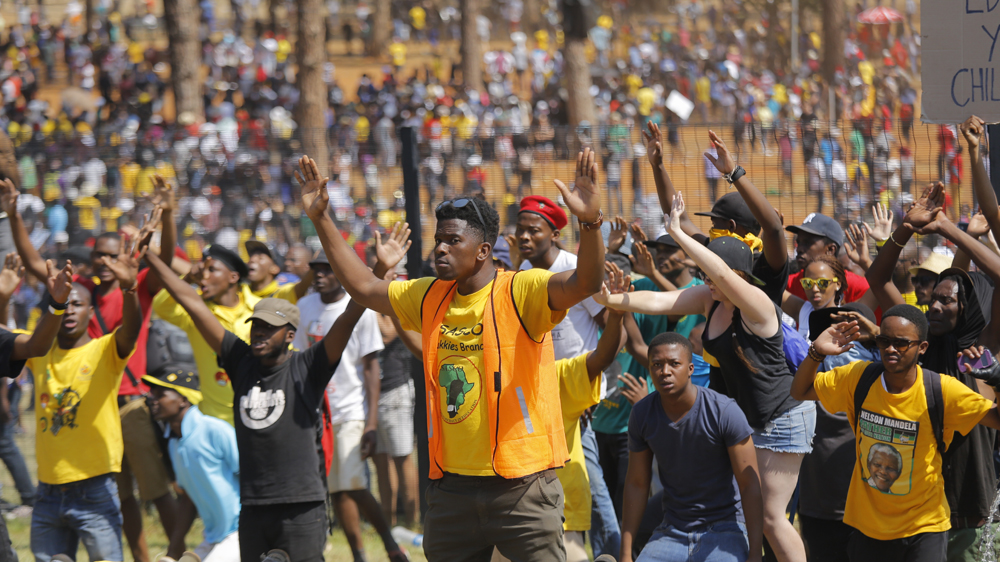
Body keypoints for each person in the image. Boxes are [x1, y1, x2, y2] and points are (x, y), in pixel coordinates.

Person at [296, 147, 606, 561]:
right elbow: (365, 288)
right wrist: (321, 218)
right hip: (452, 491)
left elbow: (586, 282)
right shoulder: (429, 295)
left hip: (523, 488)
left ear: (483, 251)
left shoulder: (522, 289)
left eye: (453, 241)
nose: (439, 249)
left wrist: (590, 221)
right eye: (438, 240)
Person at [598, 193, 813, 562]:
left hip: (783, 416)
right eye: (705, 277)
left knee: (771, 518)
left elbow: (723, 274)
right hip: (751, 416)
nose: (706, 281)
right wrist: (614, 302)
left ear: (738, 276)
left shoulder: (758, 304)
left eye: (711, 275)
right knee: (755, 513)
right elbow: (662, 303)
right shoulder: (710, 298)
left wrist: (678, 233)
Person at [142, 240, 385, 562]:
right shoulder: (240, 362)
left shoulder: (308, 366)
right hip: (254, 505)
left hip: (301, 505)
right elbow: (191, 302)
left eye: (269, 328)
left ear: (289, 335)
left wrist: (380, 269)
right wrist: (148, 255)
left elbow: (349, 316)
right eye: (255, 326)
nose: (259, 333)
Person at [4, 177, 180, 562]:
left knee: (154, 490)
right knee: (122, 496)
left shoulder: (135, 287)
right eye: (99, 255)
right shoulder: (82, 292)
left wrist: (168, 214)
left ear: (125, 255)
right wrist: (13, 215)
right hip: (87, 408)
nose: (104, 261)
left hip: (129, 403)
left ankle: (175, 552)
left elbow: (165, 262)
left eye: (111, 255)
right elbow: (35, 265)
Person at [791, 305, 1000, 562]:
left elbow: (996, 419)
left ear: (922, 347)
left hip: (925, 526)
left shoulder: (941, 390)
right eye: (884, 341)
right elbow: (800, 391)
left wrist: (997, 381)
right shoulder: (858, 378)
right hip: (869, 528)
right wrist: (816, 352)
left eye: (901, 343)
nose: (891, 349)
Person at [513, 193, 620, 556]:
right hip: (539, 397)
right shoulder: (521, 276)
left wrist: (593, 389)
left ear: (555, 234)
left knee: (588, 481)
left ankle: (611, 552)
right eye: (520, 229)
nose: (525, 237)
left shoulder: (576, 269)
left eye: (534, 230)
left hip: (578, 394)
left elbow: (612, 327)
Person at [29, 241, 142, 562]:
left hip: (95, 489)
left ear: (90, 312)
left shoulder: (104, 350)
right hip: (47, 490)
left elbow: (130, 332)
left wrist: (130, 290)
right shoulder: (39, 351)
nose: (69, 311)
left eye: (77, 304)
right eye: (63, 305)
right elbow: (4, 339)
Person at [292, 250, 405, 562]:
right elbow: (299, 360)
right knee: (338, 489)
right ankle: (360, 554)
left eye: (327, 269)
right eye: (315, 269)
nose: (319, 275)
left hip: (350, 410)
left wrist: (371, 422)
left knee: (352, 484)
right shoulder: (304, 307)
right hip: (317, 414)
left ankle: (390, 545)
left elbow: (370, 368)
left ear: (341, 273)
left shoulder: (361, 310)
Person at [620, 332, 763, 562]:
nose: (665, 371)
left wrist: (755, 553)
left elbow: (749, 485)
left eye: (674, 364)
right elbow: (637, 483)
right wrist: (625, 554)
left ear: (690, 369)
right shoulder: (642, 414)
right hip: (672, 530)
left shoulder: (724, 411)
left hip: (725, 527)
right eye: (657, 364)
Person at [592, 234, 705, 518]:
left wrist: (628, 297)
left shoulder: (701, 293)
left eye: (670, 250)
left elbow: (671, 311)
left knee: (664, 492)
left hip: (673, 408)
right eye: (658, 250)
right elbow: (634, 344)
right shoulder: (642, 288)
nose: (661, 256)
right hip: (629, 408)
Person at [644, 123, 790, 305]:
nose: (711, 230)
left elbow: (774, 229)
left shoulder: (765, 263)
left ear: (731, 226)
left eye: (715, 224)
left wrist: (734, 173)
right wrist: (657, 165)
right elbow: (679, 220)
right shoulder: (716, 252)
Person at [154, 244, 260, 424]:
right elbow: (162, 306)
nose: (204, 277)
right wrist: (188, 278)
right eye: (202, 271)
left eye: (212, 270)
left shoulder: (260, 308)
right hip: (213, 418)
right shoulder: (196, 311)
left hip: (255, 414)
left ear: (233, 277)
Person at [145, 368, 240, 562]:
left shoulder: (214, 430)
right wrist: (173, 551)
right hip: (214, 536)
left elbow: (250, 476)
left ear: (183, 400)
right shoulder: (174, 443)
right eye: (153, 394)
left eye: (161, 395)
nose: (153, 400)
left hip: (239, 531)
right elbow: (188, 498)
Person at [785, 213, 871, 304]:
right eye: (799, 243)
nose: (799, 249)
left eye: (807, 243)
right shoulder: (790, 284)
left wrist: (867, 262)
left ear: (830, 250)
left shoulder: (857, 286)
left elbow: (880, 291)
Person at [245, 240, 312, 301]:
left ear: (274, 269)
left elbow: (301, 288)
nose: (252, 260)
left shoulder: (282, 294)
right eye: (251, 256)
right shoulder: (241, 292)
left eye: (260, 258)